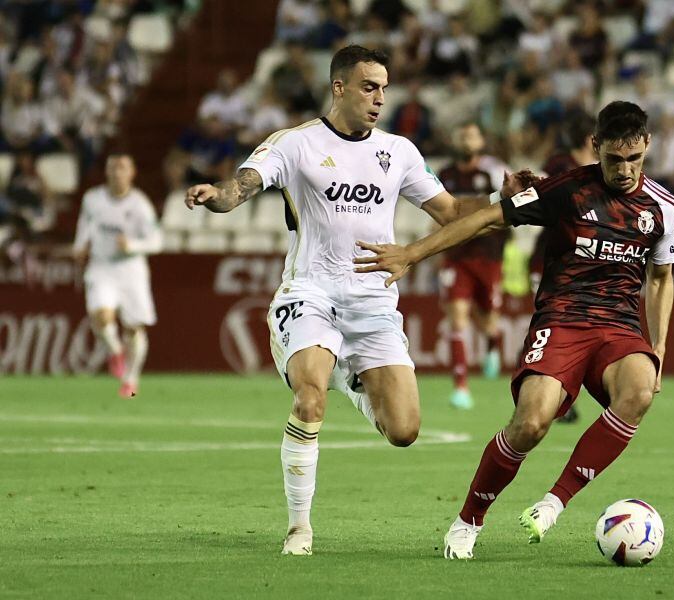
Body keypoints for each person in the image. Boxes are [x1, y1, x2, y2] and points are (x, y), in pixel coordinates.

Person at [183, 45, 522, 557]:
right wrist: (219, 195)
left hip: (373, 304)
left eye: (384, 88)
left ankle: (348, 375)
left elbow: (451, 211)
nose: (380, 97)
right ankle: (299, 528)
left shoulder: (399, 152)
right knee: (308, 398)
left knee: (404, 431)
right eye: (369, 86)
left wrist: (502, 201)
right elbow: (244, 185)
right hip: (310, 293)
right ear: (338, 87)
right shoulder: (295, 144)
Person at [354, 101, 674, 560]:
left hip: (619, 327)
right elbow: (486, 218)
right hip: (563, 320)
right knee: (530, 424)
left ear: (647, 145)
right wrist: (413, 252)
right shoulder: (566, 191)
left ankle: (553, 503)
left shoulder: (663, 208)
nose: (624, 170)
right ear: (595, 147)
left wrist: (659, 346)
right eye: (613, 159)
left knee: (641, 391)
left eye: (634, 159)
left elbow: (661, 278)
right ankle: (468, 520)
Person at [528, 112, 598, 424]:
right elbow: (535, 197)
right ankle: (552, 399)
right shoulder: (560, 165)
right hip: (550, 260)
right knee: (558, 326)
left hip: (585, 263)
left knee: (575, 330)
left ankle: (557, 398)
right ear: (589, 140)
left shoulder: (600, 170)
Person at [73, 154, 161, 399]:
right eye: (112, 167)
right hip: (102, 267)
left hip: (131, 270)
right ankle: (115, 351)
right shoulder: (93, 199)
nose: (116, 172)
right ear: (106, 172)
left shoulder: (140, 205)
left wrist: (131, 245)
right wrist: (80, 245)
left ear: (131, 173)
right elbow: (85, 224)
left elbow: (156, 241)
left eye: (122, 168)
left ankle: (131, 379)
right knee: (101, 315)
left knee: (134, 328)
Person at [438, 122, 509, 409]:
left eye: (472, 135)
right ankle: (461, 387)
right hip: (456, 256)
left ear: (481, 141)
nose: (467, 139)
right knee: (457, 318)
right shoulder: (445, 174)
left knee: (488, 319)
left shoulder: (492, 171)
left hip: (488, 255)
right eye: (462, 134)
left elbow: (507, 206)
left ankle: (493, 342)